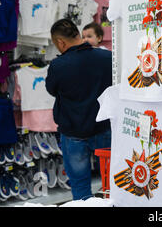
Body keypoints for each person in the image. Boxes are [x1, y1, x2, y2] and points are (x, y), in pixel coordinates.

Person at [45, 18, 112, 201]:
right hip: (103, 128)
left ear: (61, 42)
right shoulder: (107, 58)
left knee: (80, 188)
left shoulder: (58, 65)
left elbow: (51, 90)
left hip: (73, 131)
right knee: (112, 184)